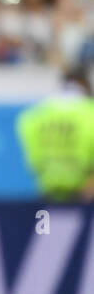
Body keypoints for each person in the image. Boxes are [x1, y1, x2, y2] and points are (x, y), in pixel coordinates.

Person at [15, 67, 94, 201]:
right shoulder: (89, 112)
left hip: (47, 191)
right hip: (85, 192)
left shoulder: (34, 115)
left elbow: (34, 161)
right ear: (85, 85)